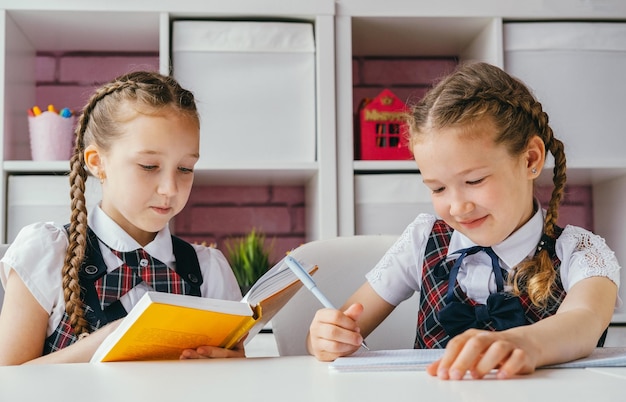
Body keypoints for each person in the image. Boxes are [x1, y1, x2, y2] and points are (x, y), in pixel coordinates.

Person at [307, 62, 621, 379]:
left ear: (530, 159)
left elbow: (585, 319)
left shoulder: (580, 251)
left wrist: (523, 343)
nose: (458, 206)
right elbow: (342, 325)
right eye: (438, 188)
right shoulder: (423, 239)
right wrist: (326, 337)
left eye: (474, 181)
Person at [0, 71, 243, 365]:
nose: (170, 189)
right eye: (149, 165)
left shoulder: (209, 271)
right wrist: (110, 339)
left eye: (185, 169)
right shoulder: (47, 254)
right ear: (97, 163)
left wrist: (229, 366)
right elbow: (9, 382)